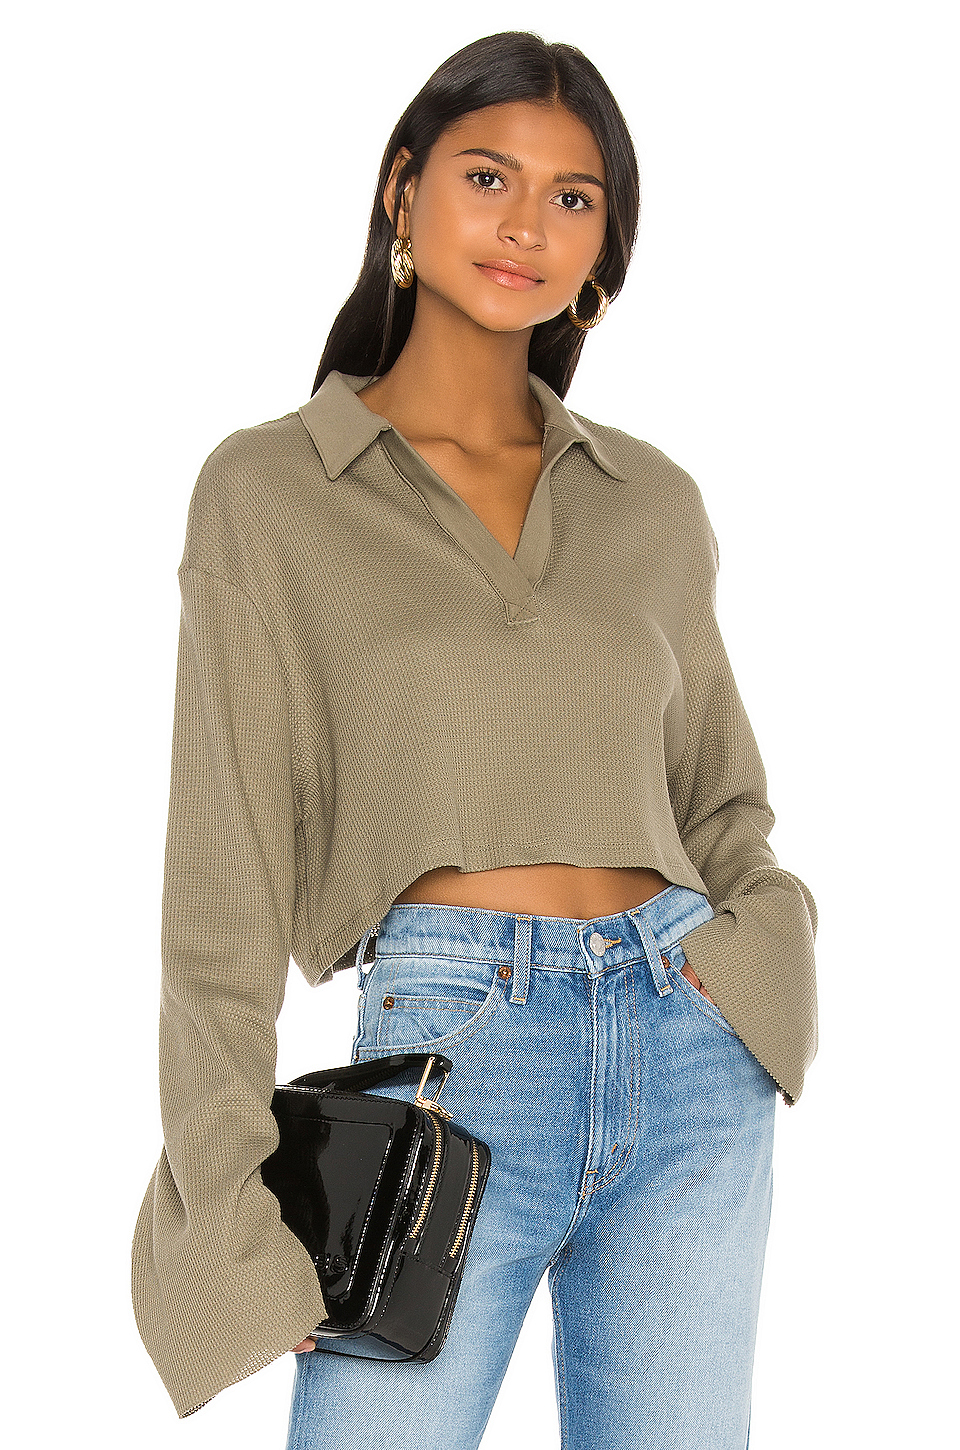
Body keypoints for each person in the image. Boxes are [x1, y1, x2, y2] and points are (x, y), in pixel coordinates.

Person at [131, 30, 818, 1449]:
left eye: (574, 196)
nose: (526, 225)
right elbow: (223, 879)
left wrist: (757, 967)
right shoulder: (271, 493)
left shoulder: (649, 500)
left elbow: (722, 800)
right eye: (489, 176)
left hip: (691, 1051)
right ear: (403, 190)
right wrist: (233, 1198)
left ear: (605, 242)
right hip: (454, 1059)